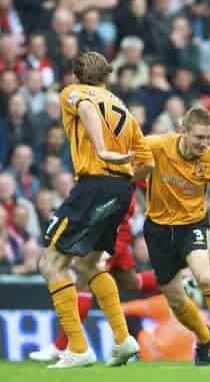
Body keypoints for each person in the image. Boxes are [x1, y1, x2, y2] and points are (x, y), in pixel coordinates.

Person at [37, 51, 155, 369]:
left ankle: (78, 347)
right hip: (120, 189)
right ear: (107, 76)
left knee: (51, 262)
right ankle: (122, 339)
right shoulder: (124, 110)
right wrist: (128, 182)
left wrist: (101, 148)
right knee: (90, 265)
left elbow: (87, 108)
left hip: (94, 184)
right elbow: (148, 163)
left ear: (77, 76)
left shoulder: (73, 93)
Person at [142, 106, 210, 366]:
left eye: (208, 138)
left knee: (205, 278)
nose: (204, 143)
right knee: (177, 301)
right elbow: (128, 153)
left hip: (192, 226)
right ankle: (204, 338)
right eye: (199, 137)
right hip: (157, 229)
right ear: (183, 131)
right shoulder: (157, 145)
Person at [29, 192, 160, 363]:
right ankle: (176, 279)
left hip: (113, 226)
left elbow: (146, 174)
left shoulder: (125, 169)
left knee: (84, 279)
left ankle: (62, 347)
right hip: (112, 223)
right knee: (131, 282)